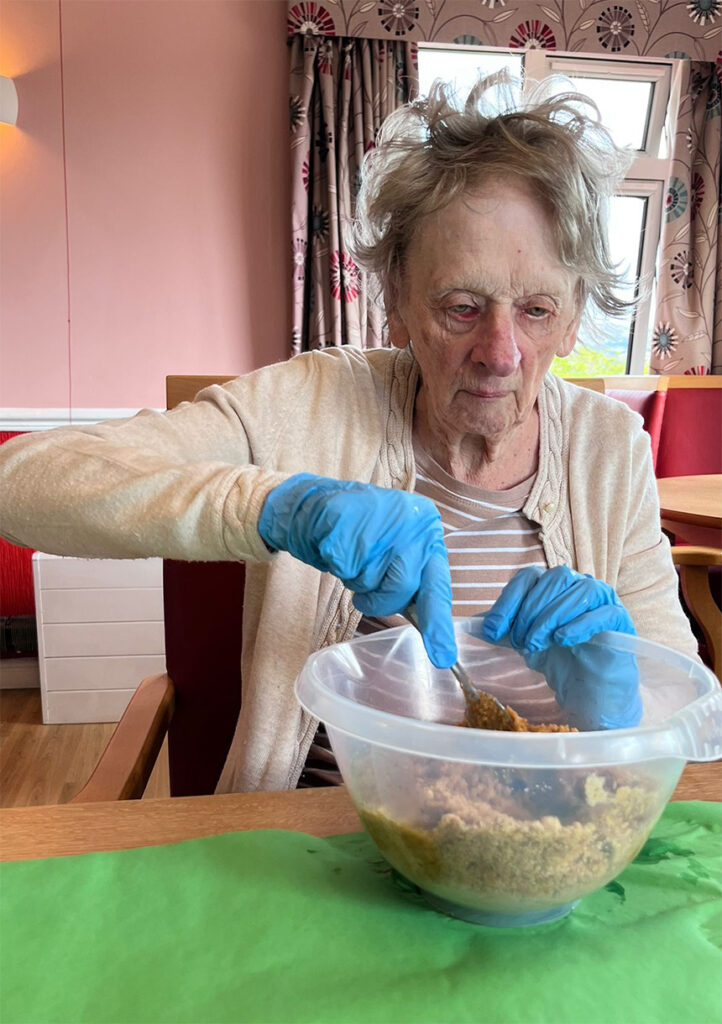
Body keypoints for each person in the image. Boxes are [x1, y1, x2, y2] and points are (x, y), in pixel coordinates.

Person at [0, 76, 698, 793]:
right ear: (396, 303)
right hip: (320, 834)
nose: (500, 353)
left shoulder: (610, 451)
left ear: (575, 319)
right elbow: (18, 486)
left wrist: (621, 699)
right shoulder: (310, 404)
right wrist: (276, 508)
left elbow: (693, 735)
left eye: (537, 310)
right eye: (461, 307)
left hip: (553, 830)